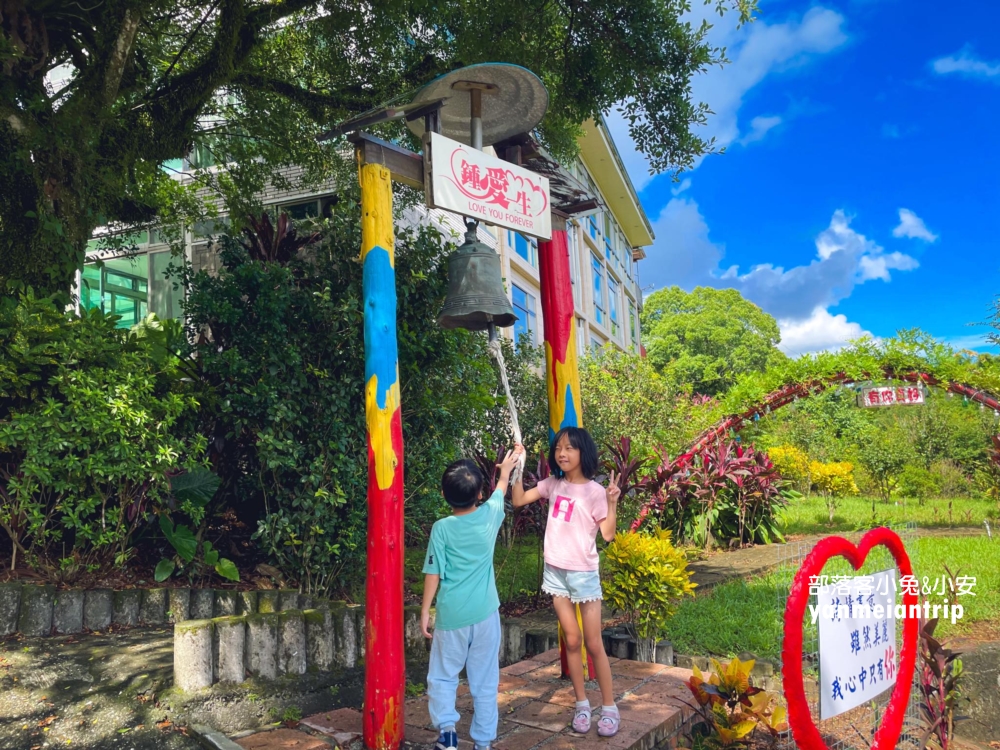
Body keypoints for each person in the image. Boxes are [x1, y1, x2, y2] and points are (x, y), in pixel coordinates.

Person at [512, 427, 621, 737]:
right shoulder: (552, 484)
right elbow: (519, 499)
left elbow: (608, 534)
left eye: (570, 448)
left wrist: (612, 503)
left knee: (593, 643)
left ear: (582, 453)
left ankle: (610, 708)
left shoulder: (595, 492)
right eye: (559, 448)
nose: (562, 453)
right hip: (555, 573)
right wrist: (519, 466)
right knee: (571, 641)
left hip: (583, 575)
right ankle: (582, 704)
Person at [421, 447, 523, 750]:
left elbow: (433, 574)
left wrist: (425, 610)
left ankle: (448, 731)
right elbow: (502, 488)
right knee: (485, 681)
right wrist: (506, 468)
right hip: (486, 616)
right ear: (479, 494)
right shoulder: (490, 515)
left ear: (443, 493)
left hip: (452, 617)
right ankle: (482, 742)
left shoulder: (441, 529)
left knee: (442, 676)